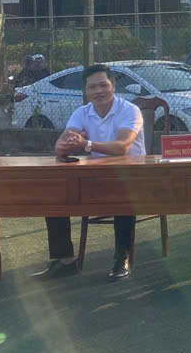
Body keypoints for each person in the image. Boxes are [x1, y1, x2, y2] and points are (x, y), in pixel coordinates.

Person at [38, 64, 144, 281]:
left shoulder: (130, 110)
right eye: (92, 87)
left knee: (123, 192)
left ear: (113, 86)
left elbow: (121, 147)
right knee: (55, 196)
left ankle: (121, 259)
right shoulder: (81, 112)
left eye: (103, 85)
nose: (98, 91)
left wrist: (85, 144)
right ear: (86, 91)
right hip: (96, 177)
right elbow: (60, 147)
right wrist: (68, 144)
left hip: (133, 177)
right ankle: (65, 260)